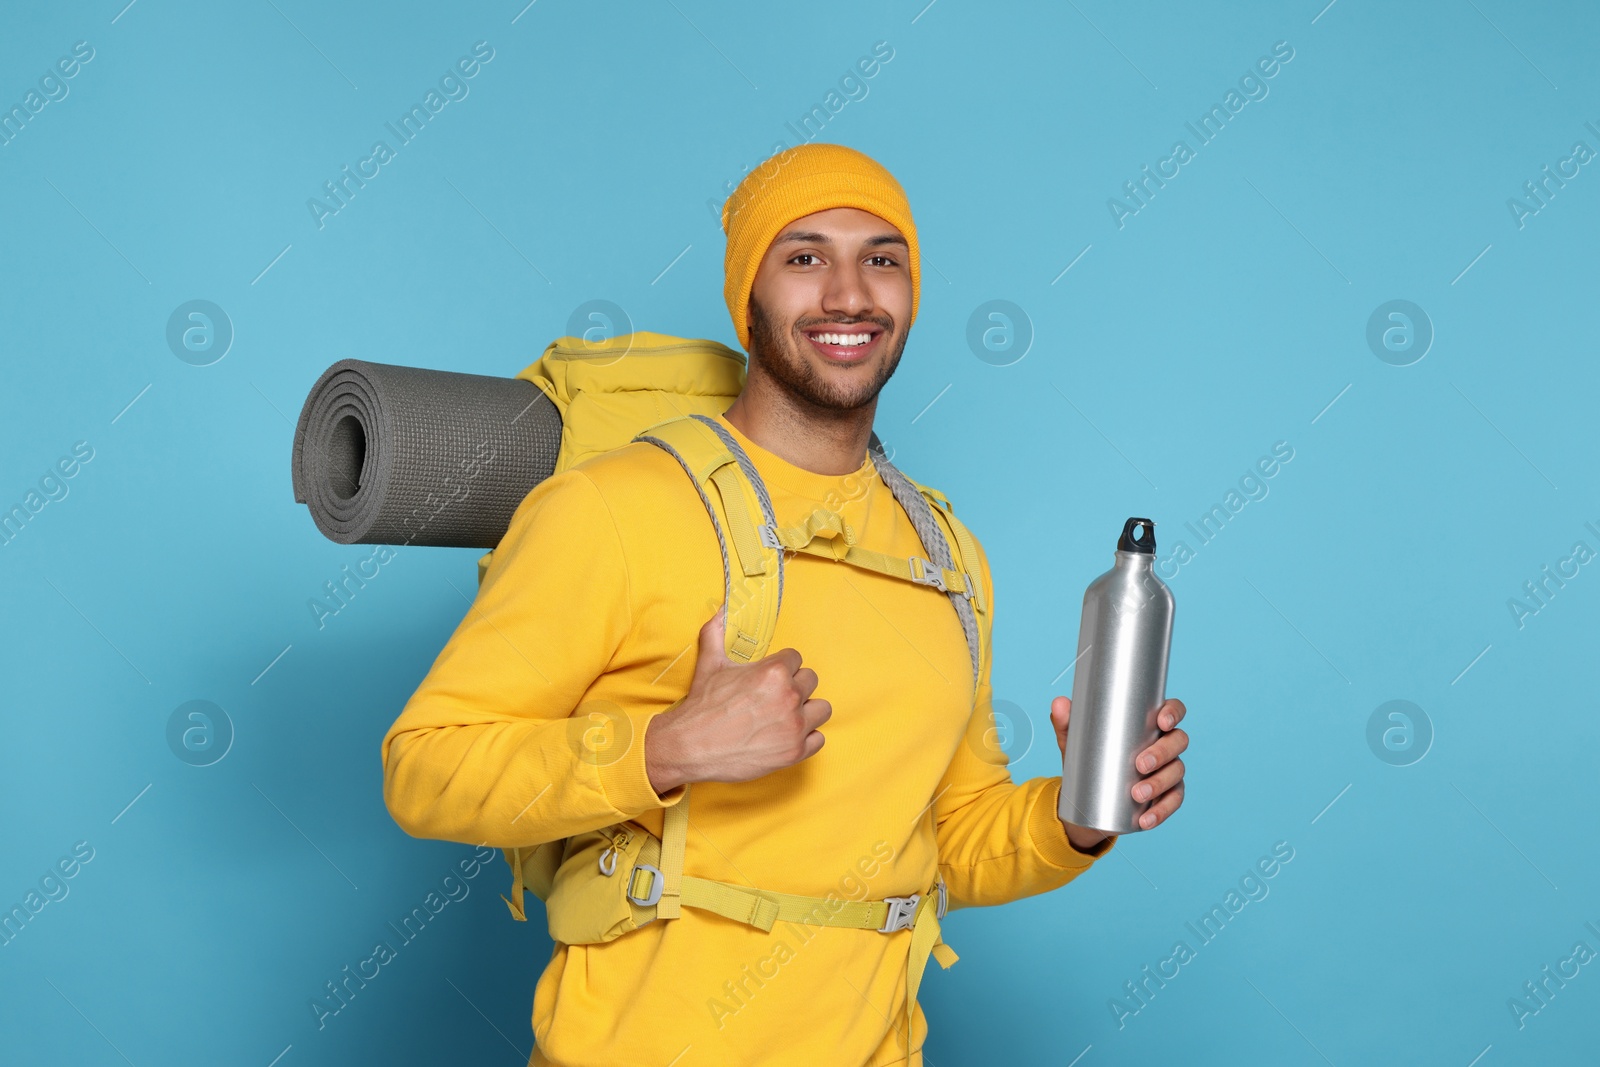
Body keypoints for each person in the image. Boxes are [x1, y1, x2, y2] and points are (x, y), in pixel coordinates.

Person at [381, 142, 1189, 1067]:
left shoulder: (947, 554)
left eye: (882, 258)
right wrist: (663, 747)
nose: (849, 294)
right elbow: (423, 767)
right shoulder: (614, 508)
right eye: (804, 257)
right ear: (748, 295)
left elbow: (950, 839)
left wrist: (1079, 818)